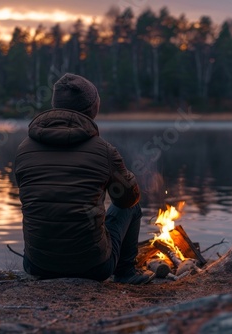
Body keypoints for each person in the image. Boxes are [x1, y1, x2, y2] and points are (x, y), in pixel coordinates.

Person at [14, 73, 155, 284]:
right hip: (93, 267)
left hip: (37, 265)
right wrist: (126, 175)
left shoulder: (24, 149)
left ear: (55, 105)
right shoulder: (104, 150)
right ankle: (125, 273)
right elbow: (128, 199)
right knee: (131, 208)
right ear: (92, 108)